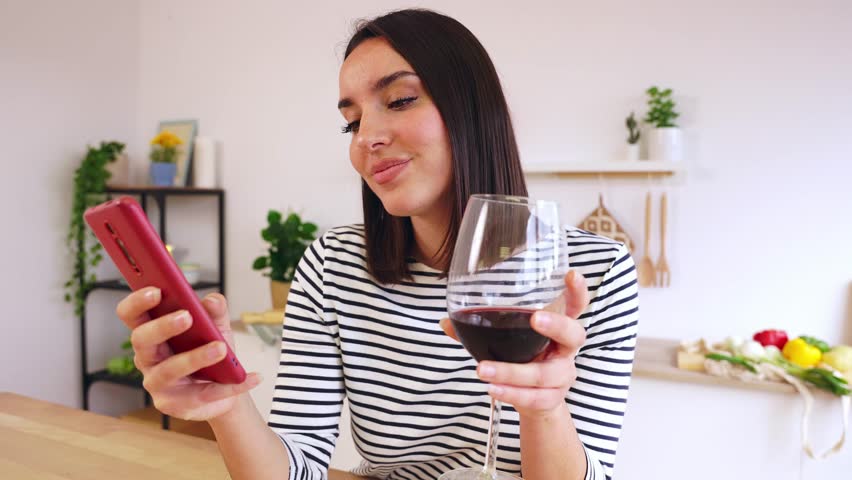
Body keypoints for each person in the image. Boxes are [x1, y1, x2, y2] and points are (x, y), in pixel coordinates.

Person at [115, 8, 639, 480]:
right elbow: (294, 470)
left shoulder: (594, 273)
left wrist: (543, 408)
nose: (367, 136)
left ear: (473, 110)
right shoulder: (332, 265)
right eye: (352, 122)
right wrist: (225, 404)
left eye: (400, 99)